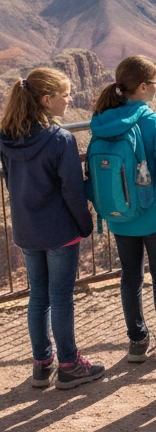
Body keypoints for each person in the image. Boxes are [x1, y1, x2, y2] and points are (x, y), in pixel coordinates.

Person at [89, 57, 156, 364]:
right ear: (142, 86)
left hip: (119, 215)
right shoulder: (154, 123)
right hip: (154, 216)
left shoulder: (101, 122)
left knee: (130, 276)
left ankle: (137, 342)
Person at [1, 69, 104, 389]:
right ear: (47, 100)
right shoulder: (61, 139)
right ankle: (70, 365)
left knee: (39, 296)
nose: (70, 99)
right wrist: (85, 224)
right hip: (59, 230)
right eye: (65, 94)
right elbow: (72, 191)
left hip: (26, 229)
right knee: (60, 298)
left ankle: (42, 364)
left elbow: (10, 181)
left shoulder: (7, 136)